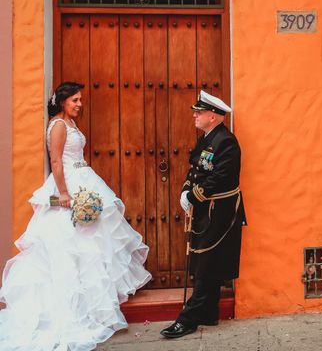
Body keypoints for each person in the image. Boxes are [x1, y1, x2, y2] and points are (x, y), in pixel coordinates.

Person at [0, 81, 151, 351]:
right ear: (62, 101)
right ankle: (77, 309)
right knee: (71, 247)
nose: (79, 105)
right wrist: (64, 193)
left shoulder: (68, 123)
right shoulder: (58, 126)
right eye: (75, 101)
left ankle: (92, 306)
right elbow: (56, 160)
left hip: (83, 179)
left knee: (90, 246)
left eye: (81, 100)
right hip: (69, 186)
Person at [161, 90, 246, 339]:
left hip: (220, 211)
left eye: (200, 112)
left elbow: (220, 177)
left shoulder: (226, 141)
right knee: (206, 262)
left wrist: (193, 196)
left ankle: (188, 319)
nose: (195, 116)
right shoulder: (208, 138)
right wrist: (186, 189)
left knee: (207, 263)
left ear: (214, 116)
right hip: (207, 210)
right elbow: (196, 168)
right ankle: (209, 312)